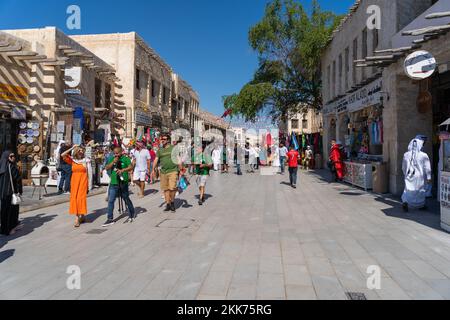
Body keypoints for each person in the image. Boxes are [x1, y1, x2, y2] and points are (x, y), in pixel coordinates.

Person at [103, 146, 136, 226]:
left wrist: (123, 170)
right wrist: (113, 162)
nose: (116, 155)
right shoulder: (112, 158)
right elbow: (106, 168)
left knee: (126, 198)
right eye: (114, 153)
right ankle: (110, 219)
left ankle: (132, 212)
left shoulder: (125, 158)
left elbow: (131, 167)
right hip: (114, 183)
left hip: (123, 182)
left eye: (117, 153)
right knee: (111, 200)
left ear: (121, 152)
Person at [61, 145, 92, 228]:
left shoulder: (86, 160)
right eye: (79, 151)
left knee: (80, 198)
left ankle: (77, 218)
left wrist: (90, 186)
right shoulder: (73, 160)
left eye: (82, 151)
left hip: (83, 181)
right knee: (74, 198)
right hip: (74, 182)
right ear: (76, 151)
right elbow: (62, 155)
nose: (81, 152)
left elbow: (90, 173)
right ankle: (81, 216)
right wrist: (72, 148)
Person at [152, 134, 183, 212]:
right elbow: (156, 159)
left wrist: (181, 169)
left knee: (172, 188)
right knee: (165, 189)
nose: (162, 140)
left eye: (164, 139)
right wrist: (152, 169)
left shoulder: (173, 148)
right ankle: (168, 204)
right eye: (161, 139)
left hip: (173, 170)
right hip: (163, 172)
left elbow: (178, 159)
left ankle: (172, 202)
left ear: (168, 140)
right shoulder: (160, 150)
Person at [401, 136, 432, 212]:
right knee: (419, 191)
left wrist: (405, 174)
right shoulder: (424, 155)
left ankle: (405, 202)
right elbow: (427, 168)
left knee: (407, 190)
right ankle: (421, 205)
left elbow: (403, 167)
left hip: (409, 175)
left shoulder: (406, 154)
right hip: (419, 176)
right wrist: (429, 177)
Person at [0, 151, 23, 235]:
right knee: (10, 211)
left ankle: (6, 228)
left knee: (4, 211)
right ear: (7, 157)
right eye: (11, 156)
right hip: (10, 193)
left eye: (14, 155)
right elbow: (18, 179)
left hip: (2, 193)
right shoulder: (11, 167)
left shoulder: (1, 166)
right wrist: (19, 191)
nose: (14, 157)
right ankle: (8, 230)